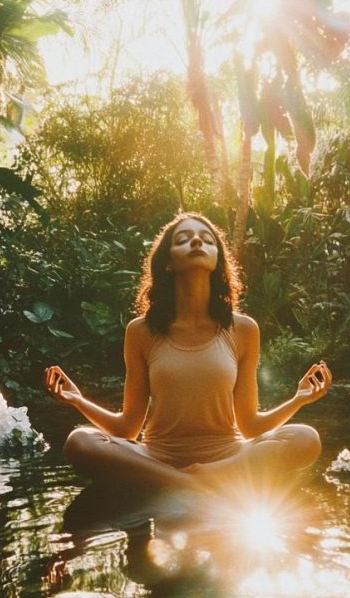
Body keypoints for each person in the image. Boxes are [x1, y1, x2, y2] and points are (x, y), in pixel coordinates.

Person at [44, 212, 331, 495]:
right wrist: (78, 401)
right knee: (79, 441)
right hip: (157, 456)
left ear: (217, 259)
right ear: (167, 262)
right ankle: (190, 483)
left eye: (207, 240)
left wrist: (299, 400)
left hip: (226, 456)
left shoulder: (243, 329)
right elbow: (129, 428)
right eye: (184, 239)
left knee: (306, 438)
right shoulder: (141, 332)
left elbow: (249, 425)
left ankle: (188, 480)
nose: (196, 241)